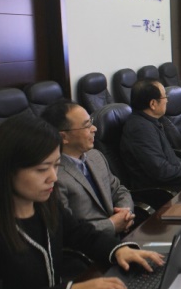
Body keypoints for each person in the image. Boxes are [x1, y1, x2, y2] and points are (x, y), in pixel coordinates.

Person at [0, 114, 163, 289]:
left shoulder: (46, 204)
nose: (53, 177)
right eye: (42, 169)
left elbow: (82, 234)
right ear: (7, 170)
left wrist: (119, 250)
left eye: (56, 166)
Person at [41, 100, 135, 236]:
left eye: (91, 122)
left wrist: (125, 212)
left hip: (122, 235)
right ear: (63, 137)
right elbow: (68, 231)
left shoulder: (95, 156)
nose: (94, 128)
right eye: (86, 126)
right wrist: (112, 225)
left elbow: (118, 189)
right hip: (90, 245)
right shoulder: (54, 176)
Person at [121, 79, 181, 191]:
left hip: (175, 181)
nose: (167, 100)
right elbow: (161, 171)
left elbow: (167, 158)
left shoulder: (149, 121)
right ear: (153, 104)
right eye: (165, 97)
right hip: (162, 191)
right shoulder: (140, 129)